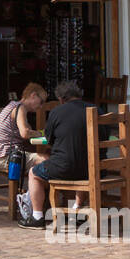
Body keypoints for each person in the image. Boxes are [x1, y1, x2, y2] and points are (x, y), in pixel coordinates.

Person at [18, 80, 88, 229]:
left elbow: (48, 140)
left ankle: (37, 217)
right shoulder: (97, 110)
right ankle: (77, 209)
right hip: (94, 169)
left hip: (65, 168)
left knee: (34, 173)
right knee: (84, 163)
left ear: (61, 99)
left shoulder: (57, 112)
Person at [0, 82, 49, 168]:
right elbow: (25, 133)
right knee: (48, 160)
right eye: (41, 102)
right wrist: (42, 133)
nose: (41, 106)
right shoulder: (20, 108)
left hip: (2, 156)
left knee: (42, 163)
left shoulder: (15, 105)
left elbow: (28, 132)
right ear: (33, 95)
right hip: (7, 158)